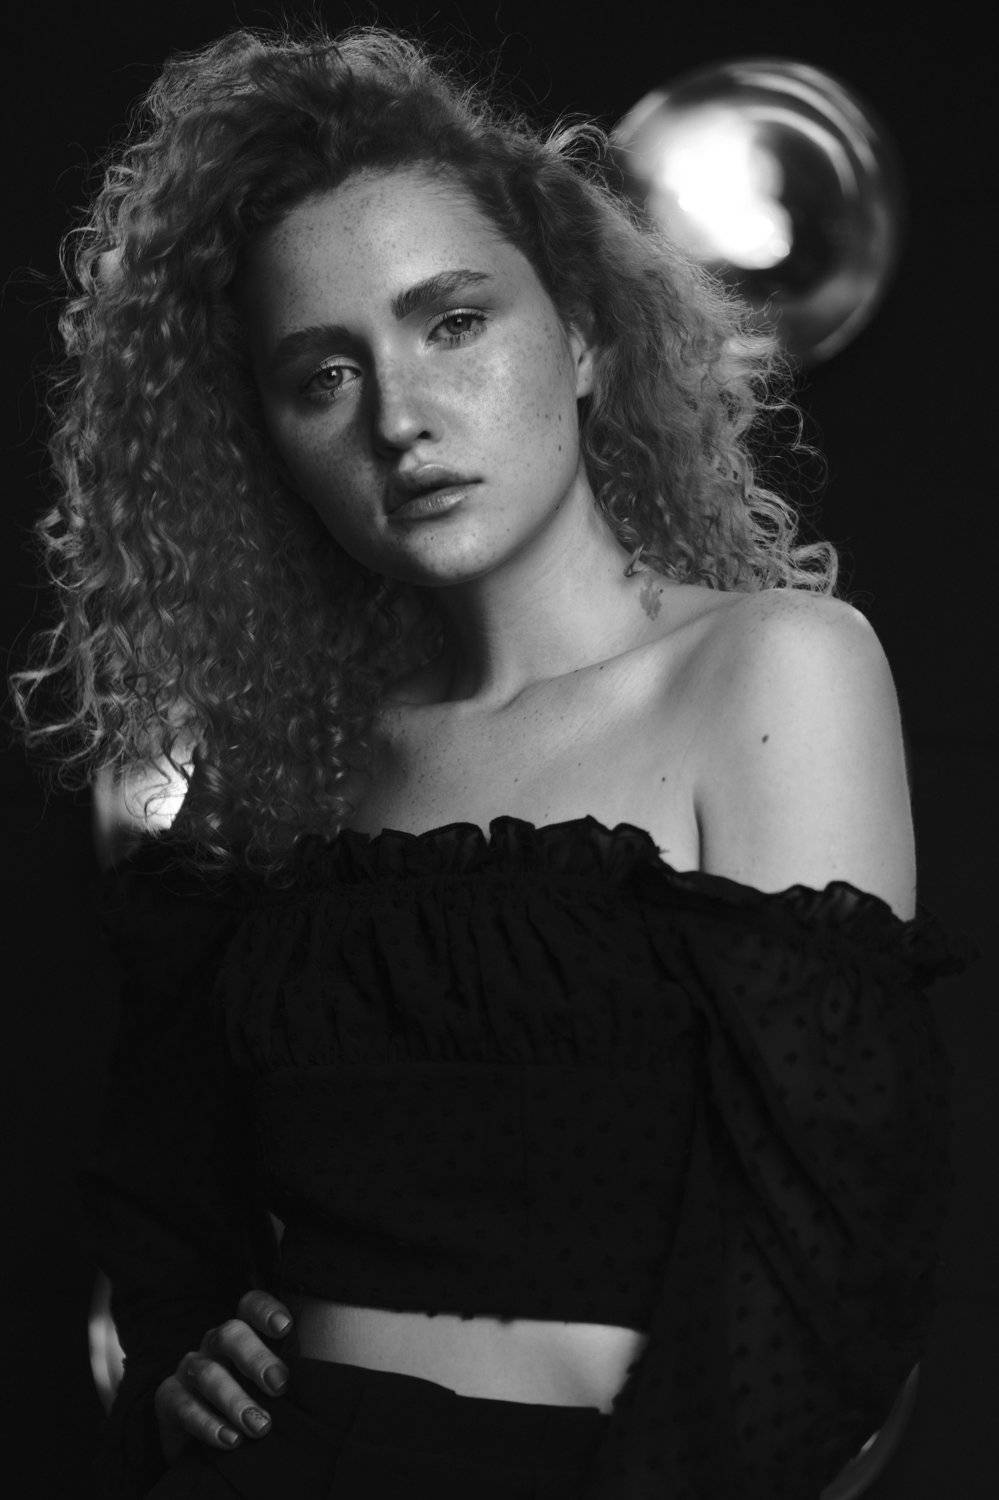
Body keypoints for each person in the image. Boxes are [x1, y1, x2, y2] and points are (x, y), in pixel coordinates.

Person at [8, 19, 979, 1500]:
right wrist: (179, 1372)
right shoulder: (286, 762)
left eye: (452, 323)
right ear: (264, 439)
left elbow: (830, 1259)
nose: (401, 419)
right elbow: (158, 1184)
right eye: (322, 377)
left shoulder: (773, 669)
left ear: (581, 335)